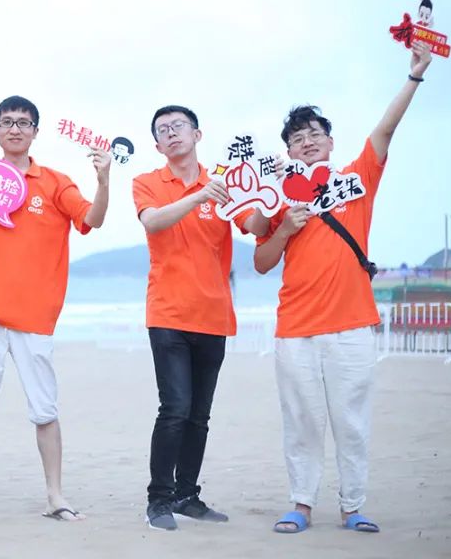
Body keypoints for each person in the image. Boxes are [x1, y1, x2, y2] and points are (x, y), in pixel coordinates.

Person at [256, 42, 433, 535]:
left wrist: (415, 77)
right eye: (297, 139)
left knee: (352, 422)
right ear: (288, 152)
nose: (307, 142)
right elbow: (262, 262)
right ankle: (301, 504)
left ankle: (353, 506)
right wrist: (284, 229)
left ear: (331, 143)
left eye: (315, 134)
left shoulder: (357, 179)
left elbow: (385, 130)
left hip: (353, 325)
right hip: (295, 328)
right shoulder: (280, 198)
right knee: (302, 422)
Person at [0, 96, 111, 523]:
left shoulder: (54, 182)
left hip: (35, 316)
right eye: (7, 122)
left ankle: (55, 496)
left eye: (23, 123)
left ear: (35, 131)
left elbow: (92, 219)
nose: (15, 129)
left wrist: (104, 181)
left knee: (45, 409)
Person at [133, 105, 268, 531]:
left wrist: (272, 191)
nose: (172, 133)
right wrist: (199, 196)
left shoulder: (226, 182)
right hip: (168, 313)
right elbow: (153, 222)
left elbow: (257, 225)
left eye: (179, 126)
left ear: (197, 134)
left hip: (213, 315)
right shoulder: (148, 183)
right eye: (163, 130)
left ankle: (187, 495)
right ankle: (159, 500)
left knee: (199, 415)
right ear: (158, 145)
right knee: (174, 408)